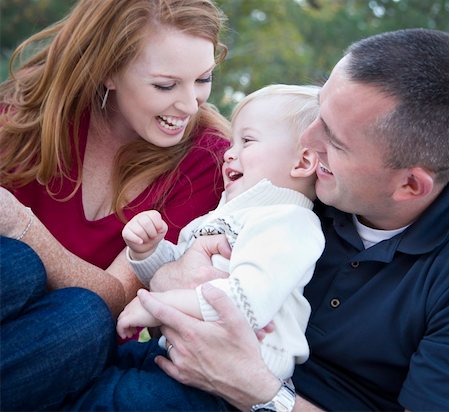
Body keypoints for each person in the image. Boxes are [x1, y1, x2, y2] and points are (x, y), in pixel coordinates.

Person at [70, 28, 449, 411]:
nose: (308, 139)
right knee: (70, 322)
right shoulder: (295, 188)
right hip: (174, 362)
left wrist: (258, 392)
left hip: (230, 396)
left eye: (334, 140)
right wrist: (171, 272)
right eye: (320, 110)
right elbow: (188, 271)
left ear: (410, 185)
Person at [0, 0, 232, 410]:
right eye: (166, 85)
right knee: (15, 267)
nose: (190, 105)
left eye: (203, 79)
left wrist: (21, 225)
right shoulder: (29, 118)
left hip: (57, 351)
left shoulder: (206, 161)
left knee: (85, 318)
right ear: (107, 71)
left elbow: (120, 300)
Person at [117, 84, 325, 381]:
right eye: (232, 143)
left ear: (303, 161)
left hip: (232, 373)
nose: (229, 154)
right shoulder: (223, 214)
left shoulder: (290, 222)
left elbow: (247, 301)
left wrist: (158, 307)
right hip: (180, 354)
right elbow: (174, 276)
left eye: (247, 141)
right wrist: (148, 251)